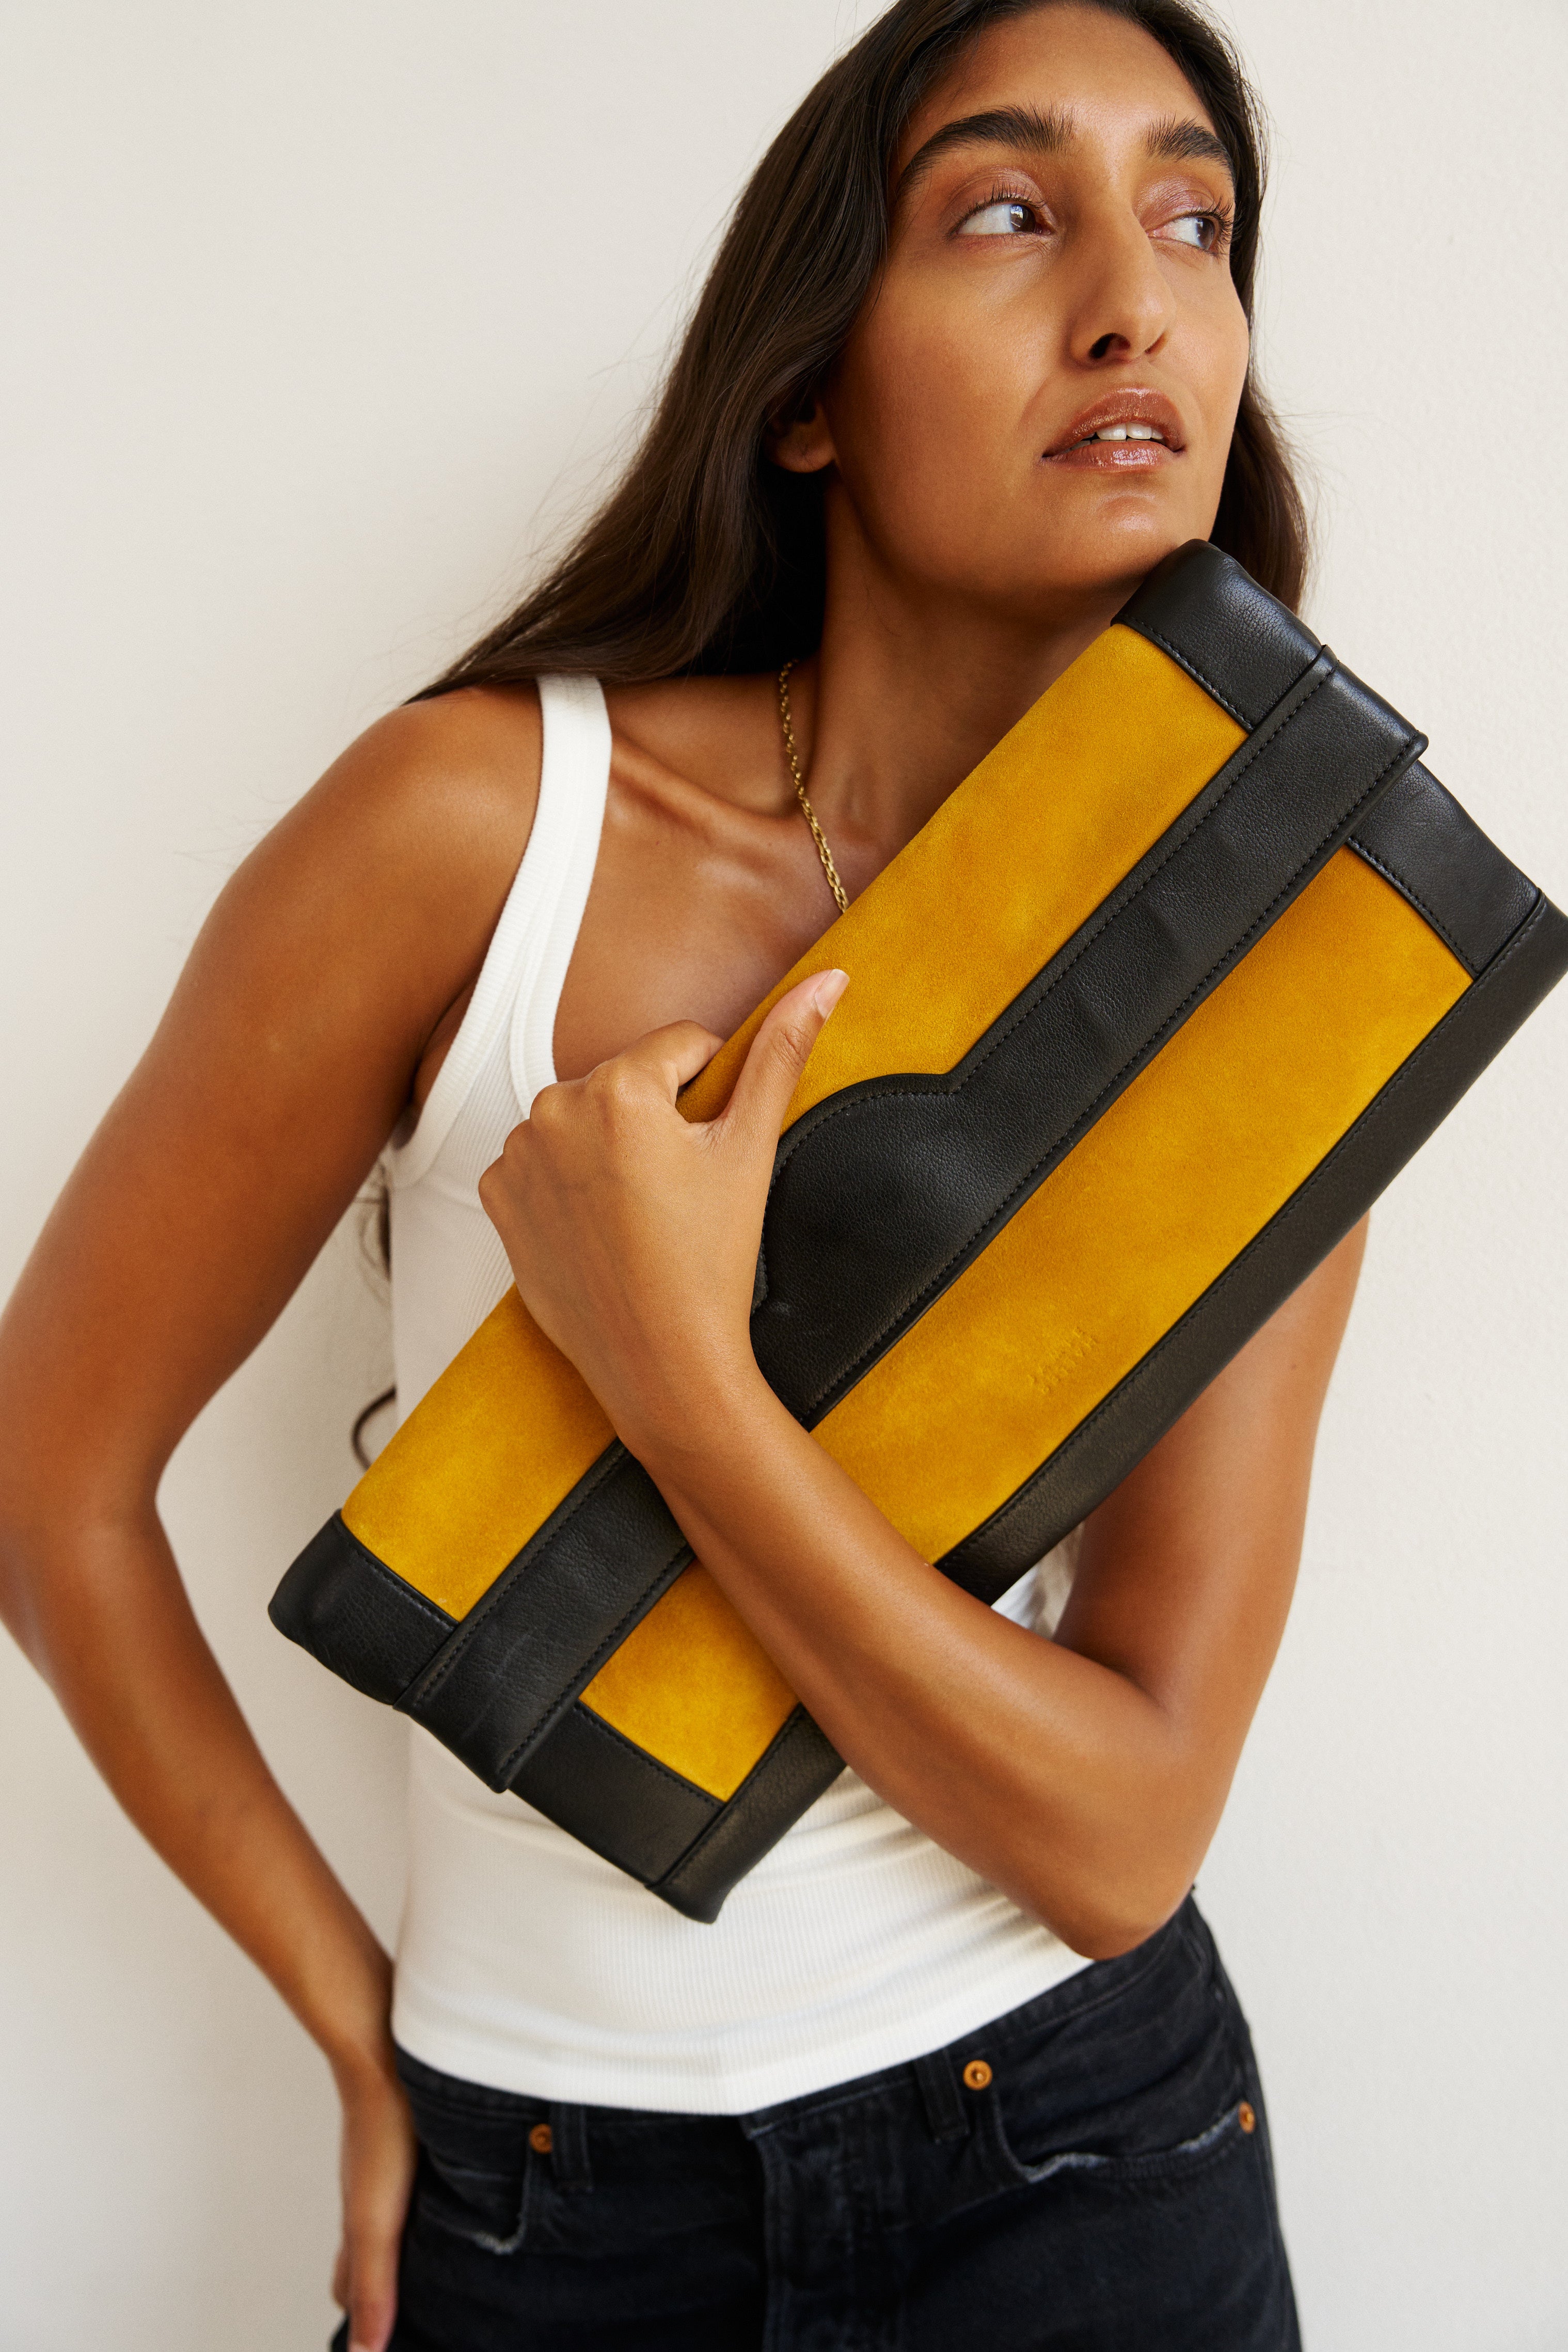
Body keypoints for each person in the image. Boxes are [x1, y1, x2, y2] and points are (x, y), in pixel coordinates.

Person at [0, 2, 1356, 2344]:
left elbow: (1126, 1832)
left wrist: (678, 1378)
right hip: (544, 2202)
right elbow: (51, 1482)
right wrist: (348, 2025)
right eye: (1008, 210)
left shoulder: (1288, 964)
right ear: (806, 388)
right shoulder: (477, 832)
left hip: (1080, 2155)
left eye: (1197, 219)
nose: (1133, 296)